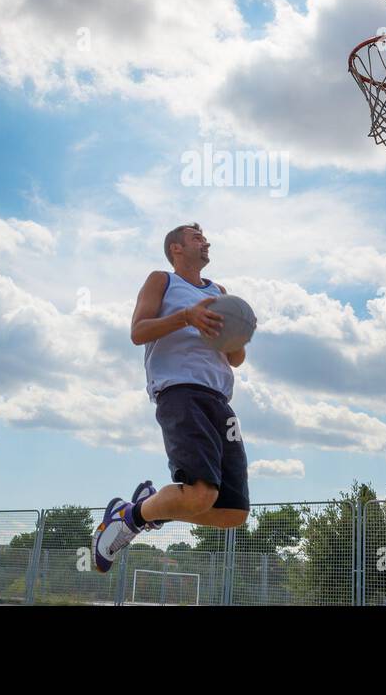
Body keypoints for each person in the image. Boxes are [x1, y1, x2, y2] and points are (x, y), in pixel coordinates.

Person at [93, 223, 250, 572]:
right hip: (181, 390)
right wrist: (185, 317)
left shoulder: (220, 293)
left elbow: (236, 359)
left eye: (206, 238)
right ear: (176, 248)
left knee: (232, 513)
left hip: (220, 401)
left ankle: (149, 509)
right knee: (200, 493)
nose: (206, 242)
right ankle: (129, 516)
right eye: (197, 238)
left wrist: (237, 334)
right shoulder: (162, 280)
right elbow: (138, 332)